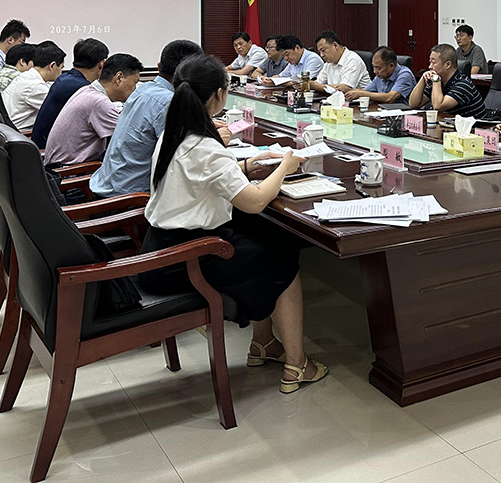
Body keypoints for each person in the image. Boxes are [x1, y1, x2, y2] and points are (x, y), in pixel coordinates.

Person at [137, 54, 327, 393]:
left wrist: (248, 166)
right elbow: (255, 201)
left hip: (161, 251)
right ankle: (297, 365)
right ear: (219, 95)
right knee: (282, 256)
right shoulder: (206, 146)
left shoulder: (174, 134)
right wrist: (285, 166)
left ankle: (264, 343)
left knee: (263, 239)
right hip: (188, 260)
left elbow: (197, 178)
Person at [89, 39, 205, 198]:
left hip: (109, 184)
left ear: (159, 66)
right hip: (130, 198)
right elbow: (183, 156)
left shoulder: (143, 89)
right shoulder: (168, 101)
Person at [44, 53, 143, 166]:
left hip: (59, 165)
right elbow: (129, 139)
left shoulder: (88, 90)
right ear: (119, 78)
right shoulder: (99, 102)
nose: (135, 89)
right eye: (134, 83)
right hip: (71, 170)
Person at [31, 37, 109, 148]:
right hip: (51, 150)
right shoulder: (82, 88)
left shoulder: (64, 78)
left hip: (42, 144)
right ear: (102, 63)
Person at [408, 43, 485, 116]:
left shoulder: (463, 84)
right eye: (430, 62)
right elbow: (413, 104)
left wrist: (436, 80)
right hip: (449, 123)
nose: (430, 67)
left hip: (477, 125)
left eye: (433, 62)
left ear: (448, 65)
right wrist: (422, 78)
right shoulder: (439, 80)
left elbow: (438, 106)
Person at [2, 40, 65, 130]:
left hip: (8, 129)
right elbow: (62, 112)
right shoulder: (35, 86)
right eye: (61, 68)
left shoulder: (26, 76)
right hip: (20, 134)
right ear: (52, 66)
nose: (61, 73)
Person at [346, 47, 416, 103]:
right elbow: (365, 91)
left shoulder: (405, 75)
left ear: (391, 66)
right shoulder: (380, 76)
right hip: (384, 112)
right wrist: (349, 92)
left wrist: (361, 94)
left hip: (405, 114)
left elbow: (390, 97)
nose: (375, 71)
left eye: (378, 68)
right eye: (373, 67)